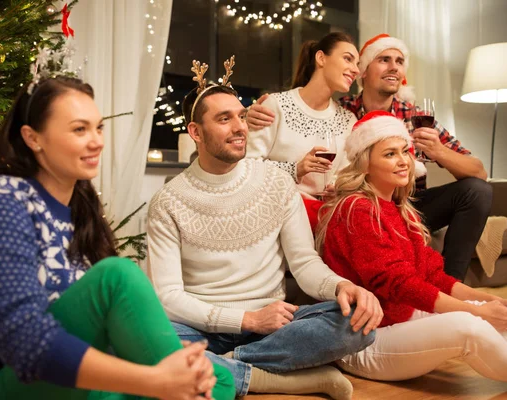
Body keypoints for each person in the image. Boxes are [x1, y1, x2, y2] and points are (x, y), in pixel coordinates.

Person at [0, 75, 235, 400]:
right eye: (79, 129)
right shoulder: (3, 200)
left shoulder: (81, 206)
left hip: (63, 378)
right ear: (33, 137)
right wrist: (155, 381)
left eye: (98, 128)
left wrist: (171, 361)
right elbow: (23, 340)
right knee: (118, 276)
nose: (96, 141)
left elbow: (100, 324)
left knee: (216, 377)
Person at [146, 58, 383, 400]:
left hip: (274, 327)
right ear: (196, 132)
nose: (240, 127)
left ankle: (223, 367)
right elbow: (168, 298)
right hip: (201, 327)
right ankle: (272, 378)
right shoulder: (168, 201)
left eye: (241, 116)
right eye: (223, 119)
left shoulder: (275, 180)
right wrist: (247, 320)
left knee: (357, 321)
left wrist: (342, 286)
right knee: (148, 338)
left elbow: (303, 263)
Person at [308, 110, 507, 385]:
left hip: (402, 320)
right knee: (468, 323)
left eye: (405, 151)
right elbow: (400, 284)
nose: (403, 161)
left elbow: (433, 276)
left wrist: (495, 303)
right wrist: (479, 312)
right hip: (362, 340)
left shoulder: (400, 209)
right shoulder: (356, 209)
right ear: (366, 164)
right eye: (390, 154)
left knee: (486, 311)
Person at [248, 33, 492, 281]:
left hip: (409, 204)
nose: (394, 67)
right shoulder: (346, 110)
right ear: (363, 72)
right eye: (384, 59)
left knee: (477, 190)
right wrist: (245, 114)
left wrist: (438, 150)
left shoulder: (415, 117)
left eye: (399, 61)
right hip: (364, 205)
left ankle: (450, 286)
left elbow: (479, 171)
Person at [245, 32, 359, 198]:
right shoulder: (275, 105)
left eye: (357, 64)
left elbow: (345, 176)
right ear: (321, 58)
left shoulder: (348, 120)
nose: (355, 70)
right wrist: (295, 169)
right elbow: (248, 165)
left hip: (323, 215)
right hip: (277, 209)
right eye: (348, 59)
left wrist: (338, 189)